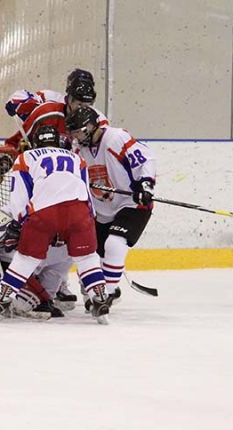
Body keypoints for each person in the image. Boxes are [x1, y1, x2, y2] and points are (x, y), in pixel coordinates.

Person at [0, 125, 111, 324]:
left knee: (26, 259)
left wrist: (19, 223)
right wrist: (88, 220)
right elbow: (87, 195)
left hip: (44, 212)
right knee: (87, 258)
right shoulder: (77, 159)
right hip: (79, 210)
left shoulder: (25, 158)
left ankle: (2, 302)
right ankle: (100, 300)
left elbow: (20, 197)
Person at [65, 105, 156, 305]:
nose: (76, 137)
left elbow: (145, 159)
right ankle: (96, 291)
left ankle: (109, 291)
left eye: (79, 132)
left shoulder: (116, 138)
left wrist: (145, 185)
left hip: (132, 203)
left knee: (114, 243)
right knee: (90, 253)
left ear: (91, 126)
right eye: (74, 133)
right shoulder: (78, 148)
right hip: (102, 210)